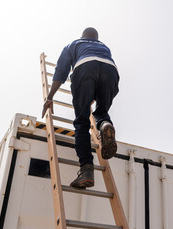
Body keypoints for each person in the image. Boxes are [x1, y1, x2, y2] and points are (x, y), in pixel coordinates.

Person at [42, 27, 119, 189]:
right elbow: (103, 76)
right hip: (111, 70)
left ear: (82, 36)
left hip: (85, 67)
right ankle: (105, 124)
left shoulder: (74, 44)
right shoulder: (104, 47)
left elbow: (61, 71)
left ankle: (86, 171)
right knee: (102, 112)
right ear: (97, 39)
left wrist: (50, 97)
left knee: (82, 122)